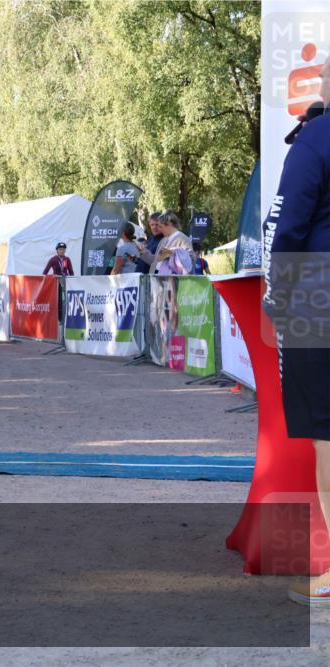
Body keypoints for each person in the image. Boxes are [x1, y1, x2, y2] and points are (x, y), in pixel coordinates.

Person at [263, 53, 330, 606]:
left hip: (319, 296)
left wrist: (277, 295)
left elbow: (289, 227)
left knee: (328, 433)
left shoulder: (314, 139)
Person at [152, 211, 194, 275]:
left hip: (176, 281)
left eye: (161, 227)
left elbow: (191, 260)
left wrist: (172, 253)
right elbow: (156, 261)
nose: (160, 230)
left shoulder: (182, 238)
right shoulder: (164, 239)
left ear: (169, 225)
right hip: (163, 279)